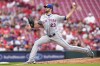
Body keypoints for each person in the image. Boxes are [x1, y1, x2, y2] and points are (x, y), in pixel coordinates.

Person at [25, 3, 94, 64]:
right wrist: (32, 25)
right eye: (45, 7)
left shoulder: (56, 16)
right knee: (37, 43)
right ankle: (31, 60)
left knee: (69, 48)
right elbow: (41, 26)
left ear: (50, 9)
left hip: (56, 36)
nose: (45, 8)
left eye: (47, 7)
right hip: (48, 36)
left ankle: (87, 50)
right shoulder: (42, 17)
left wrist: (73, 9)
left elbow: (66, 17)